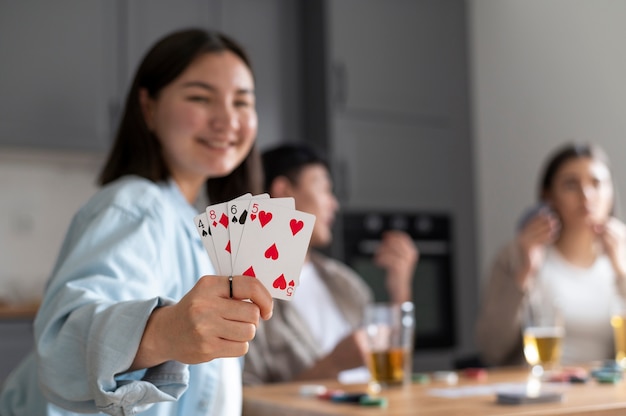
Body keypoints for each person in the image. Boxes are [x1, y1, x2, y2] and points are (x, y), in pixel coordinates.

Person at [0, 28, 274, 416]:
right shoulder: (135, 206)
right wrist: (163, 331)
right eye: (200, 97)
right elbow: (63, 345)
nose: (227, 119)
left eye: (242, 102)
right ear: (148, 108)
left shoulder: (193, 221)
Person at [243, 143, 418, 384]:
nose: (334, 204)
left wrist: (400, 290)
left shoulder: (345, 283)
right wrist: (333, 365)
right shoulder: (245, 295)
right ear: (283, 191)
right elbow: (248, 403)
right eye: (325, 190)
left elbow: (394, 368)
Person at [475, 142, 626, 367]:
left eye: (597, 183)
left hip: (604, 396)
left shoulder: (622, 254)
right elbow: (492, 350)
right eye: (571, 185)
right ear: (549, 196)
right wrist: (525, 272)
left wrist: (621, 271)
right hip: (539, 394)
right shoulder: (516, 255)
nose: (586, 195)